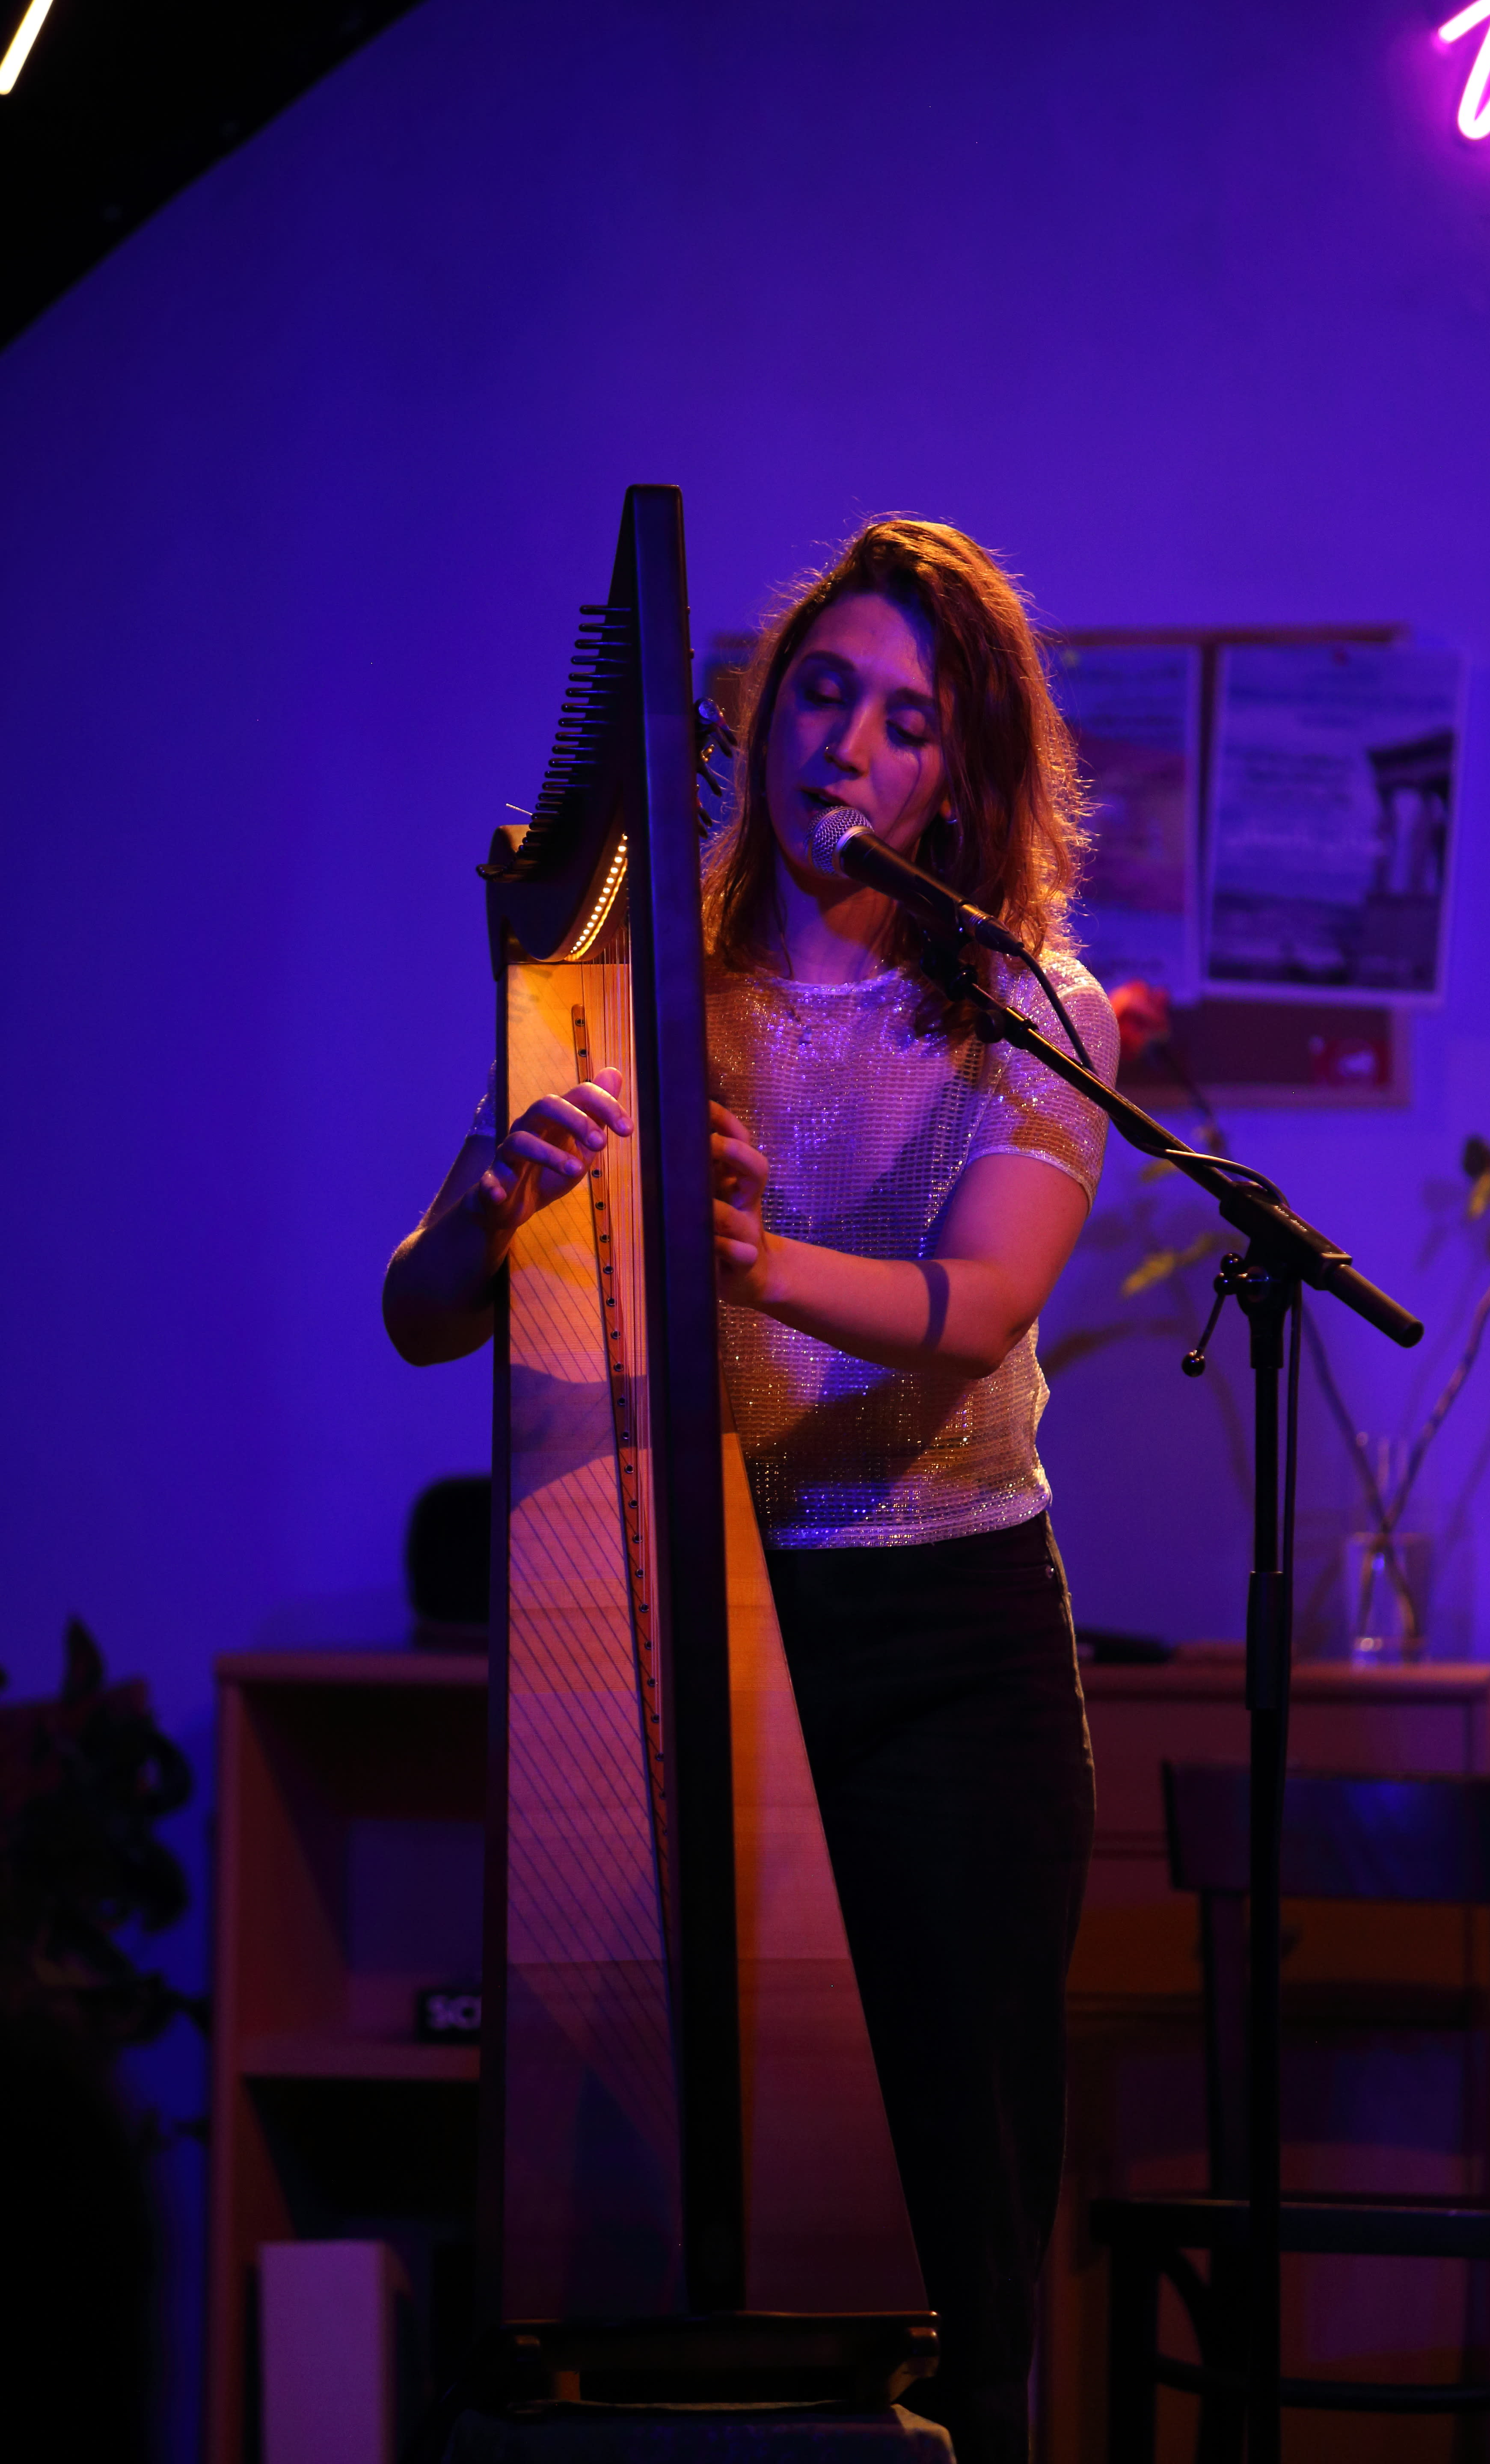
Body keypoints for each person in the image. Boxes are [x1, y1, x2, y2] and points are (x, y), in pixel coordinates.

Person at [383, 518, 1118, 2464]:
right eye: (822, 692)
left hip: (951, 1650)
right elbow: (420, 1314)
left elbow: (974, 1313)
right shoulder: (628, 995)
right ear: (760, 710)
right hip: (698, 1625)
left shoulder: (1035, 1007)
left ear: (957, 776)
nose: (848, 746)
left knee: (956, 2220)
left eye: (907, 721)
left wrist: (752, 1256)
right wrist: (485, 1209)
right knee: (670, 2218)